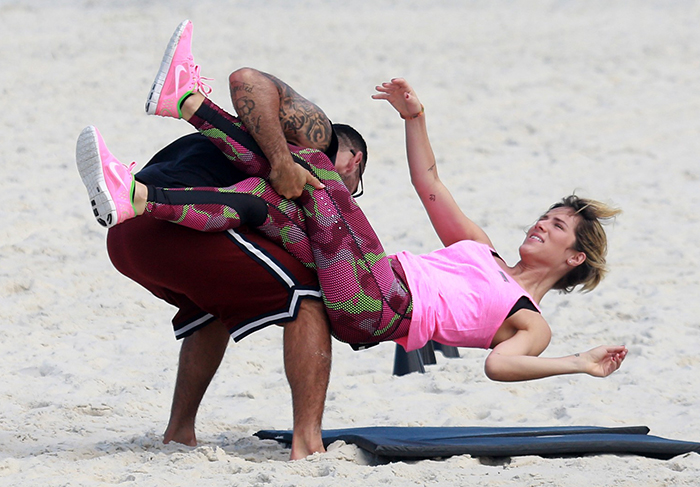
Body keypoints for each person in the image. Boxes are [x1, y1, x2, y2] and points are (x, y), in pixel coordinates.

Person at [81, 19, 628, 381]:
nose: (541, 225)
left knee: (314, 168)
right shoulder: (480, 250)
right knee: (271, 201)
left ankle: (188, 102)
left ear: (574, 258)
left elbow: (499, 368)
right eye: (545, 216)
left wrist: (577, 363)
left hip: (382, 309)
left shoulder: (530, 319)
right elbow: (429, 185)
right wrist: (415, 118)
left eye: (556, 227)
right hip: (369, 277)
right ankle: (136, 195)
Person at [80, 20, 366, 459]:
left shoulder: (249, 142)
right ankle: (308, 443)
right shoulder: (322, 143)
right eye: (356, 181)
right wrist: (282, 161)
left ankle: (179, 432)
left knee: (214, 306)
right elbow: (248, 80)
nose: (346, 191)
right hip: (167, 225)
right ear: (354, 160)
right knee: (306, 297)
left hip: (128, 237)